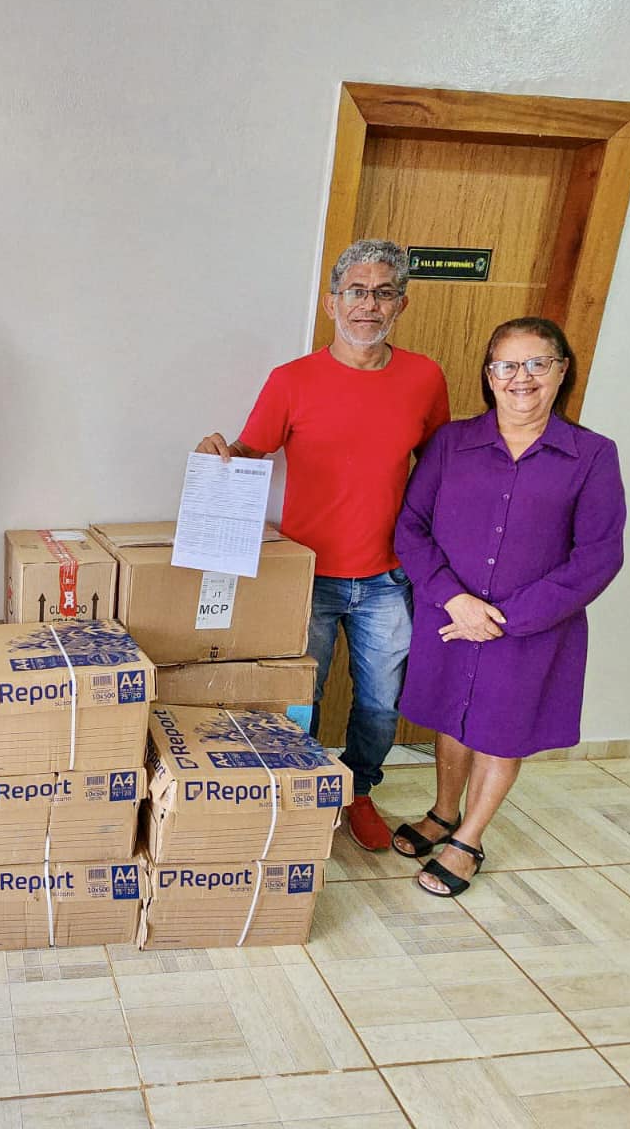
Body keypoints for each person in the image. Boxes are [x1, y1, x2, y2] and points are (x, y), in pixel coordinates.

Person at [196, 239, 450, 851]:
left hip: (389, 578)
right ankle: (298, 794)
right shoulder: (292, 380)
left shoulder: (425, 378)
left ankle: (359, 790)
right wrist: (221, 454)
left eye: (383, 292)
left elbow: (443, 470)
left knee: (381, 705)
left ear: (402, 304)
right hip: (306, 578)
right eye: (357, 291)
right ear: (333, 303)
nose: (370, 304)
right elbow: (253, 453)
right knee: (297, 698)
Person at [391, 317, 624, 896]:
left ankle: (468, 837)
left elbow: (599, 555)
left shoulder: (592, 454)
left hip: (532, 629)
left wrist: (505, 619)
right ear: (489, 376)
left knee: (501, 730)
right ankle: (444, 812)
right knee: (452, 716)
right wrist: (454, 600)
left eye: (537, 363)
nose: (521, 378)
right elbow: (411, 529)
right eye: (506, 365)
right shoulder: (451, 443)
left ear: (562, 370)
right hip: (451, 617)